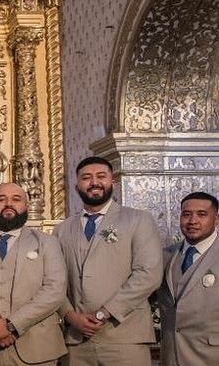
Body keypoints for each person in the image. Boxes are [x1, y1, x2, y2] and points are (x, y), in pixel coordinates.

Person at [53, 156, 162, 366]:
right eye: (86, 177)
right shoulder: (62, 229)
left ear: (113, 181)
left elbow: (149, 274)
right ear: (77, 185)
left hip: (125, 337)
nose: (94, 182)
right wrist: (69, 315)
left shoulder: (138, 220)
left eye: (101, 176)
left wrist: (105, 313)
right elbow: (54, 280)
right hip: (77, 341)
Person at [0, 183, 67, 366]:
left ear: (26, 206)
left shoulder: (48, 243)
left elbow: (55, 290)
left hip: (37, 348)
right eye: (1, 199)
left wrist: (12, 324)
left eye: (16, 199)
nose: (8, 204)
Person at [158, 191, 219, 366]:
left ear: (216, 219)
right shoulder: (166, 255)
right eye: (186, 215)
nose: (192, 221)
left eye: (202, 214)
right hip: (171, 355)